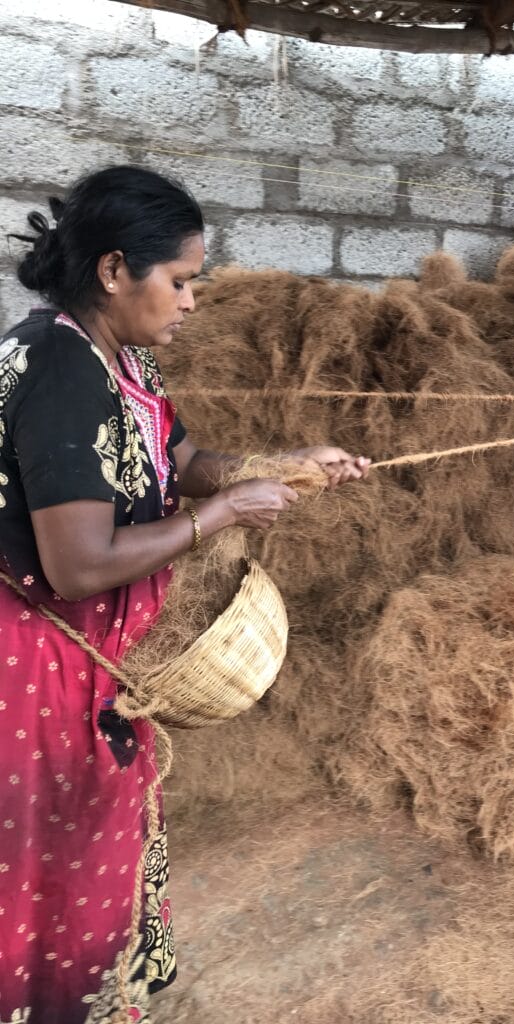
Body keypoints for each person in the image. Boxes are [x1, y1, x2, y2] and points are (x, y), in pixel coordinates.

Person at [0, 165, 370, 1024]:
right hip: (33, 665)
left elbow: (185, 462)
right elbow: (78, 565)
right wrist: (224, 515)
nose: (192, 301)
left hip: (84, 664)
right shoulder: (60, 370)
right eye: (179, 280)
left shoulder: (118, 359)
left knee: (83, 848)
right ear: (113, 270)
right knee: (42, 864)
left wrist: (280, 467)